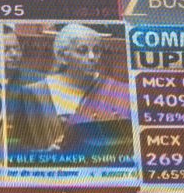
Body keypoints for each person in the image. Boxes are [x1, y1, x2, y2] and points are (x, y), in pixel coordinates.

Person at [8, 23, 131, 153]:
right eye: (82, 51)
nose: (92, 57)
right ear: (62, 57)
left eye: (96, 50)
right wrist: (45, 154)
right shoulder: (34, 93)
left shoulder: (119, 91)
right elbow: (16, 148)